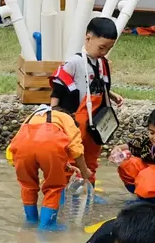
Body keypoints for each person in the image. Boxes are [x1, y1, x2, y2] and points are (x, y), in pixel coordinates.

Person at [51, 17, 124, 202]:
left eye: (108, 49)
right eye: (101, 47)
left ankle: (88, 191)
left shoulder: (103, 63)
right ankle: (60, 197)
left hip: (96, 120)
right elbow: (58, 90)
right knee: (70, 159)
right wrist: (54, 115)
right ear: (88, 38)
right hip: (75, 119)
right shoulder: (74, 63)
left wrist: (112, 95)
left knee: (91, 159)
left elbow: (99, 86)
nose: (104, 52)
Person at [8, 105, 91, 230]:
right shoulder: (67, 118)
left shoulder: (32, 116)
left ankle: (31, 221)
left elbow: (16, 148)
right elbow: (76, 149)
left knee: (27, 186)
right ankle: (47, 226)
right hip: (50, 143)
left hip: (21, 147)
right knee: (54, 186)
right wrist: (85, 172)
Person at [115, 105, 155, 204]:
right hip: (153, 182)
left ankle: (152, 203)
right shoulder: (146, 141)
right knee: (128, 164)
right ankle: (144, 198)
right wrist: (117, 149)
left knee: (148, 176)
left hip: (154, 182)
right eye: (152, 133)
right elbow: (129, 145)